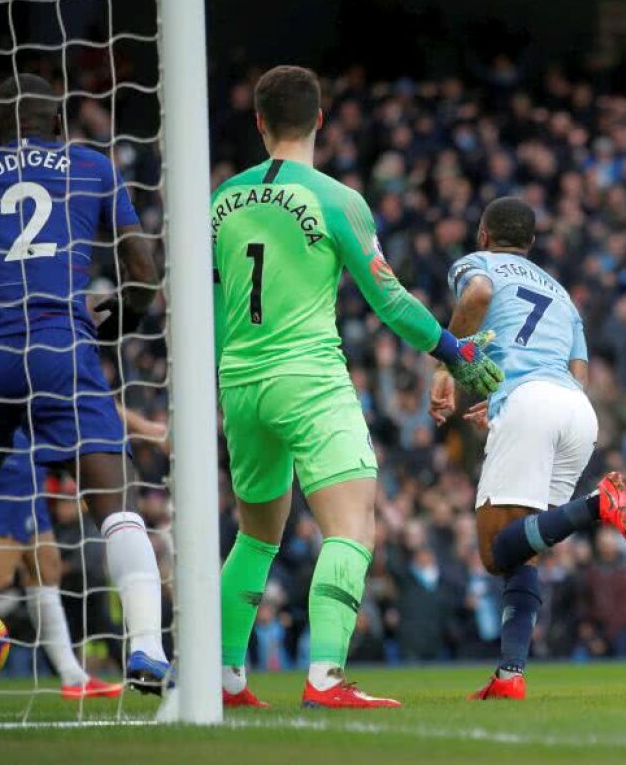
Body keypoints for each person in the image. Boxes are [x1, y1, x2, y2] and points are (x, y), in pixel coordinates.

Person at [211, 65, 503, 710]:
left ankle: (226, 678)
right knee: (352, 526)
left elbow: (211, 301)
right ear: (319, 119)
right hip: (308, 378)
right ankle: (324, 679)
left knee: (256, 534)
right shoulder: (336, 199)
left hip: (238, 382)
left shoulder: (220, 199)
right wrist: (453, 352)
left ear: (260, 123)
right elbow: (391, 302)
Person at [0, 74, 170, 693]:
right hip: (62, 345)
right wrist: (121, 319)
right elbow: (142, 270)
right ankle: (148, 653)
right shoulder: (91, 166)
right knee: (116, 507)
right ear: (60, 124)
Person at [429, 196, 626, 701]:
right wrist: (509, 405)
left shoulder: (478, 264)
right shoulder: (562, 293)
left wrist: (446, 367)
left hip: (531, 404)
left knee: (493, 554)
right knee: (525, 549)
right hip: (575, 411)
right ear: (532, 244)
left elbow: (477, 294)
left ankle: (597, 504)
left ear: (483, 235)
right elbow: (579, 372)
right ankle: (510, 674)